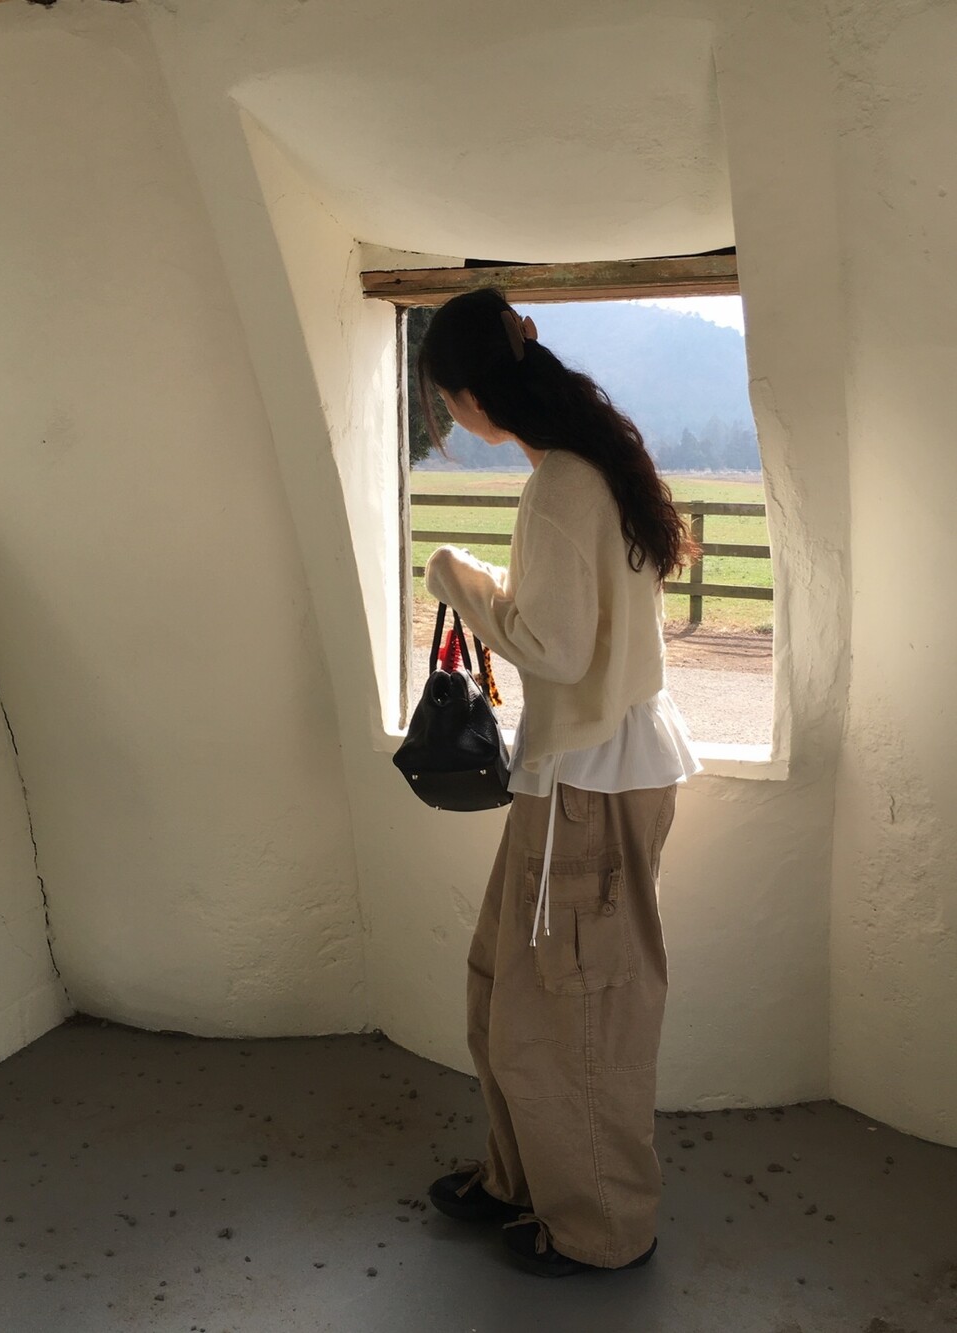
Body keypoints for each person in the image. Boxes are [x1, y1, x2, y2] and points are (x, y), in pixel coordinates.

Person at [417, 287, 702, 1278]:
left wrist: (456, 577)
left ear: (469, 394)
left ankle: (601, 1226)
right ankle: (522, 1177)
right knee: (508, 989)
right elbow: (575, 627)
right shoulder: (590, 465)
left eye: (443, 400)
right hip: (586, 775)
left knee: (573, 1018)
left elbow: (555, 648)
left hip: (587, 786)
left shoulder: (559, 485)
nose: (448, 414)